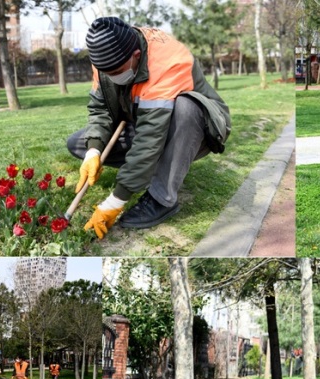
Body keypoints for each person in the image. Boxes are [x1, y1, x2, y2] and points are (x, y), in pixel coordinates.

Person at [66, 17, 231, 239]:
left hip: (198, 128)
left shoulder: (168, 60)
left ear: (135, 56)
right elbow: (101, 109)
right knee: (79, 143)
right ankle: (160, 168)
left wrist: (116, 200)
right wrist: (94, 151)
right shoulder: (103, 60)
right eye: (108, 74)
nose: (113, 78)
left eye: (118, 72)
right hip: (143, 121)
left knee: (186, 108)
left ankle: (162, 198)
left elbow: (149, 138)